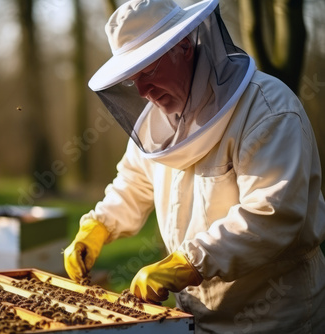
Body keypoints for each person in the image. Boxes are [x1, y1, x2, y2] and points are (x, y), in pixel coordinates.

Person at [63, 0, 325, 332]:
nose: (143, 91)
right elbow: (134, 183)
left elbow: (272, 214)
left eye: (149, 71)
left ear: (184, 46)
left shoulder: (266, 109)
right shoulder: (154, 125)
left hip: (274, 317)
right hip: (194, 316)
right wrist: (99, 226)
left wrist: (188, 261)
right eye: (133, 78)